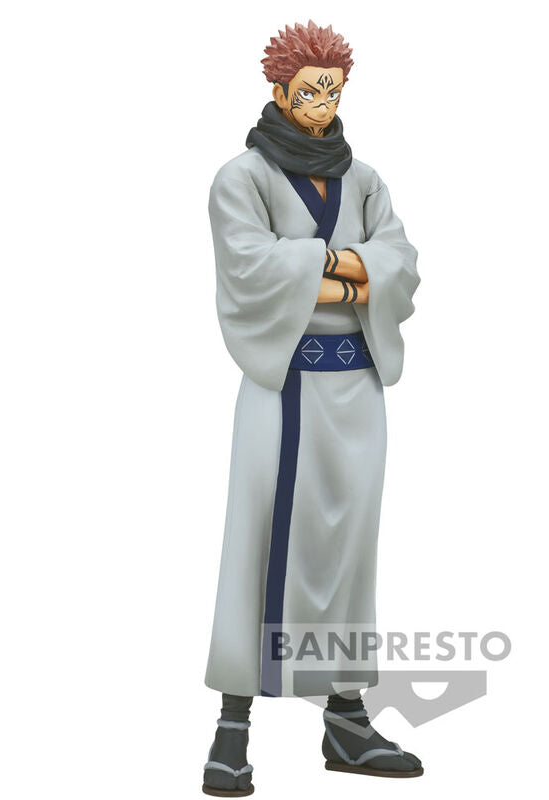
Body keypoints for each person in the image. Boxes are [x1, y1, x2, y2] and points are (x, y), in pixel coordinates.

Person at [203, 21, 422, 796]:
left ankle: (347, 720)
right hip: (282, 389)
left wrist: (321, 271)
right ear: (278, 90)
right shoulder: (243, 179)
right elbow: (251, 271)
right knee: (260, 543)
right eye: (309, 90)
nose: (323, 103)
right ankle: (233, 727)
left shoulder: (364, 179)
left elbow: (401, 265)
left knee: (349, 550)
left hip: (356, 390)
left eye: (333, 89)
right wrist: (347, 271)